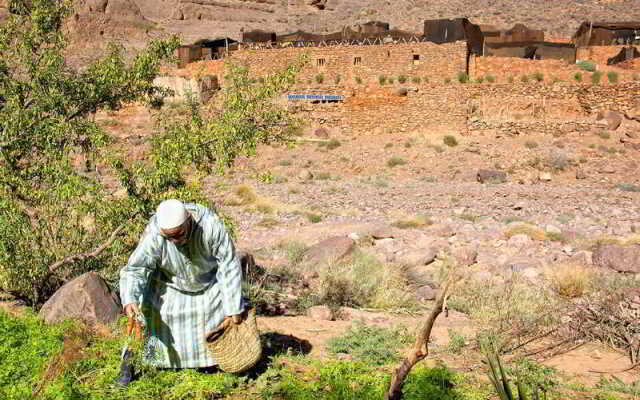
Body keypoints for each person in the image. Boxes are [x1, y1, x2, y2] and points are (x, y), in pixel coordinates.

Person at [118, 199, 244, 384]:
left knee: (221, 310)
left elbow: (228, 265)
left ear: (189, 220)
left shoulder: (210, 227)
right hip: (170, 284)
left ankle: (215, 361)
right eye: (169, 237)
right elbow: (136, 269)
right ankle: (132, 364)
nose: (175, 241)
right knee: (148, 311)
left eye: (179, 235)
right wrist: (130, 299)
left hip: (209, 284)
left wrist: (233, 307)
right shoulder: (155, 235)